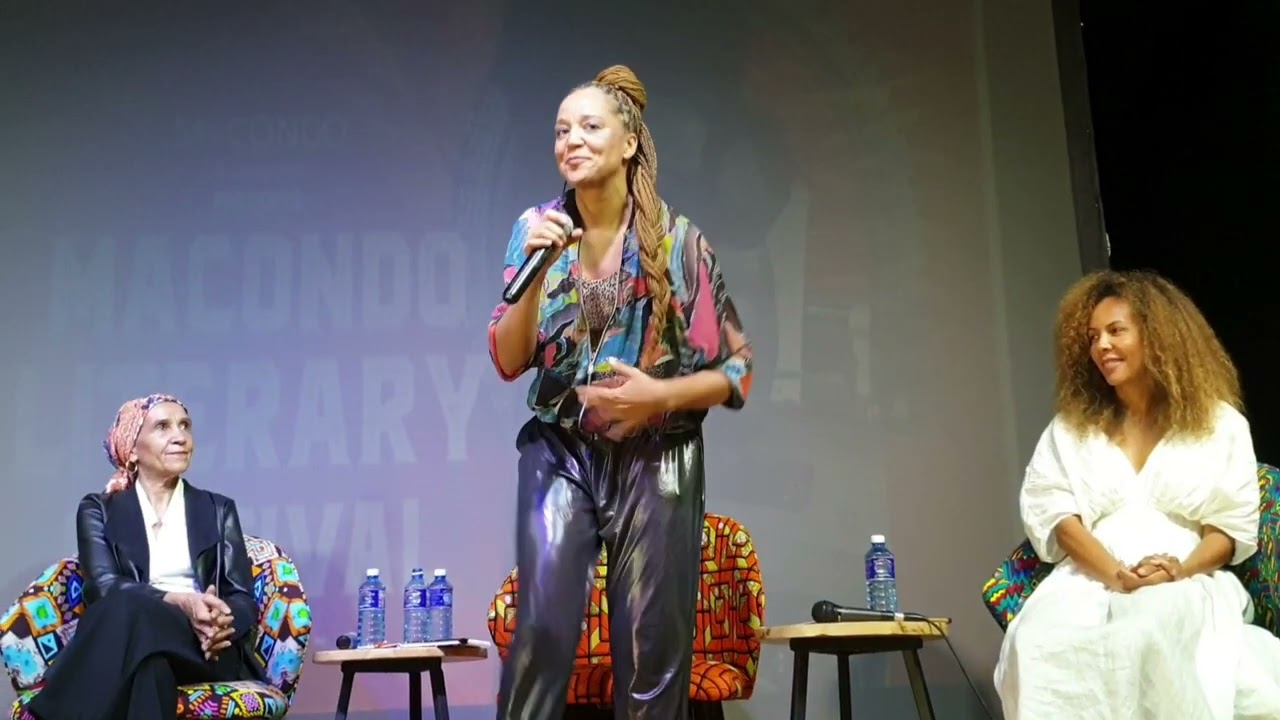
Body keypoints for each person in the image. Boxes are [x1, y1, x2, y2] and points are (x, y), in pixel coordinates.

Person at [487, 64, 752, 719]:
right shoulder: (536, 228)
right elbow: (508, 359)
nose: (571, 141)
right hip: (560, 447)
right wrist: (538, 270)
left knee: (652, 644)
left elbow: (734, 372)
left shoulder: (678, 241)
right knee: (542, 630)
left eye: (589, 126)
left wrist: (654, 398)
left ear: (629, 142)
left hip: (658, 450)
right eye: (561, 130)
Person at [994, 270, 1280, 719]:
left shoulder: (1220, 424)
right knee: (1036, 641)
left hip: (1183, 577)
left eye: (1116, 331)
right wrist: (1116, 575)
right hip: (1090, 575)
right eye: (1093, 337)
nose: (1101, 346)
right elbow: (1058, 518)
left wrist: (1178, 570)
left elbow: (1229, 530)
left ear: (1157, 337)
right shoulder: (1071, 428)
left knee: (1146, 627)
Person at [27, 394, 264, 720]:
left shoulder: (217, 508)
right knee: (149, 669)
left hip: (204, 645)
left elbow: (242, 597)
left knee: (126, 608)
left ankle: (51, 711)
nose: (180, 436)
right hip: (133, 637)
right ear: (132, 449)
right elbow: (103, 587)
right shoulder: (99, 509)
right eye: (163, 427)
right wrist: (179, 600)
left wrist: (219, 621)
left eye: (185, 426)